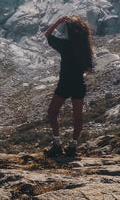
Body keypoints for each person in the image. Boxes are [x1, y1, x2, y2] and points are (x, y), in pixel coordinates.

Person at [43, 14, 94, 156]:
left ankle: (57, 143)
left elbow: (47, 35)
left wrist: (58, 22)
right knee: (78, 118)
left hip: (64, 84)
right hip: (78, 85)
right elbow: (89, 69)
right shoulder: (85, 48)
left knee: (52, 113)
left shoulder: (65, 45)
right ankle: (73, 146)